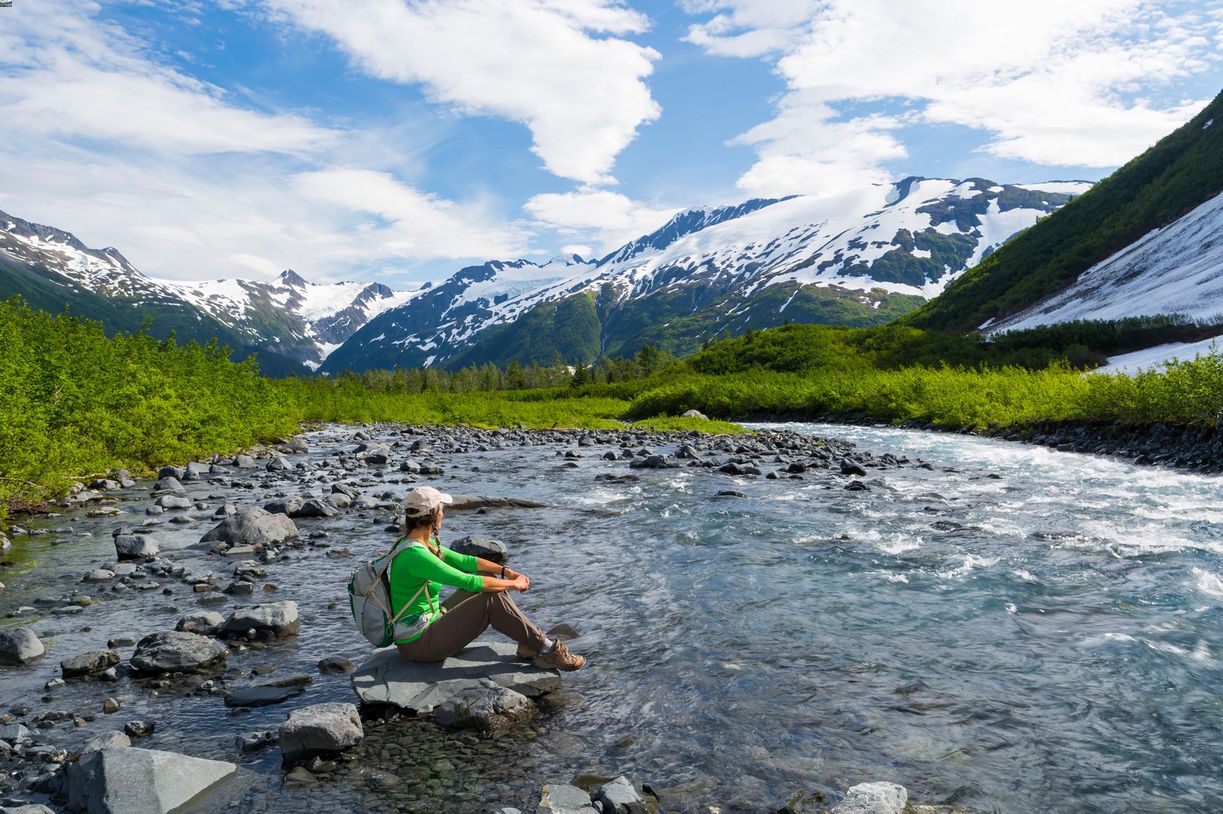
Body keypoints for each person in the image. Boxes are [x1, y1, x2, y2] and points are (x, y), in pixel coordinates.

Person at [389, 486, 585, 671]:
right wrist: (514, 584)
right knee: (489, 598)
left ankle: (529, 644)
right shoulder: (415, 555)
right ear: (431, 515)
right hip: (420, 644)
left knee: (487, 577)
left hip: (427, 624)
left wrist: (505, 572)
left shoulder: (421, 544)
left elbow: (466, 561)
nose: (443, 514)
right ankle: (547, 649)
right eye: (441, 510)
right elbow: (468, 581)